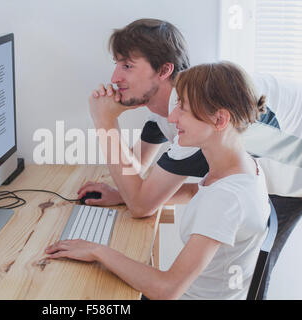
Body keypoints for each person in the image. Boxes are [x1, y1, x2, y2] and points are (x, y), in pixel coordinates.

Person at [75, 19, 302, 299]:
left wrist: (104, 122)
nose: (115, 77)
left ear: (164, 70)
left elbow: (142, 203)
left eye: (127, 65)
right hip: (262, 171)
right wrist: (122, 194)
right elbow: (136, 171)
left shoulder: (201, 114)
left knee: (240, 276)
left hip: (299, 166)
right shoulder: (182, 105)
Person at [46, 62, 271, 299]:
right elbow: (199, 191)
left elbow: (167, 289)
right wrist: (122, 196)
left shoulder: (227, 199)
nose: (172, 117)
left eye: (182, 108)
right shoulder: (240, 166)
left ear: (219, 120)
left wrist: (97, 250)